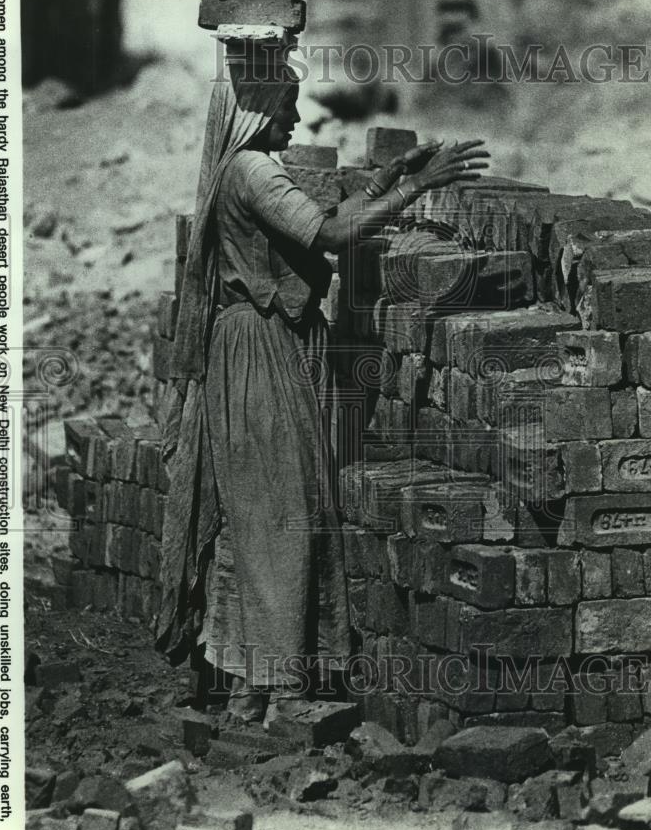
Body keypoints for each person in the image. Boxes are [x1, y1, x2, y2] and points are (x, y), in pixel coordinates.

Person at [155, 49, 489, 723]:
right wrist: (415, 191)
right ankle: (275, 687)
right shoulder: (253, 171)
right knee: (278, 514)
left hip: (255, 348)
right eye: (286, 107)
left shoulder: (246, 171)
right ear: (256, 113)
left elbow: (316, 222)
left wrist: (387, 177)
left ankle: (251, 683)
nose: (296, 117)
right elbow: (332, 234)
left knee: (266, 511)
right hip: (257, 351)